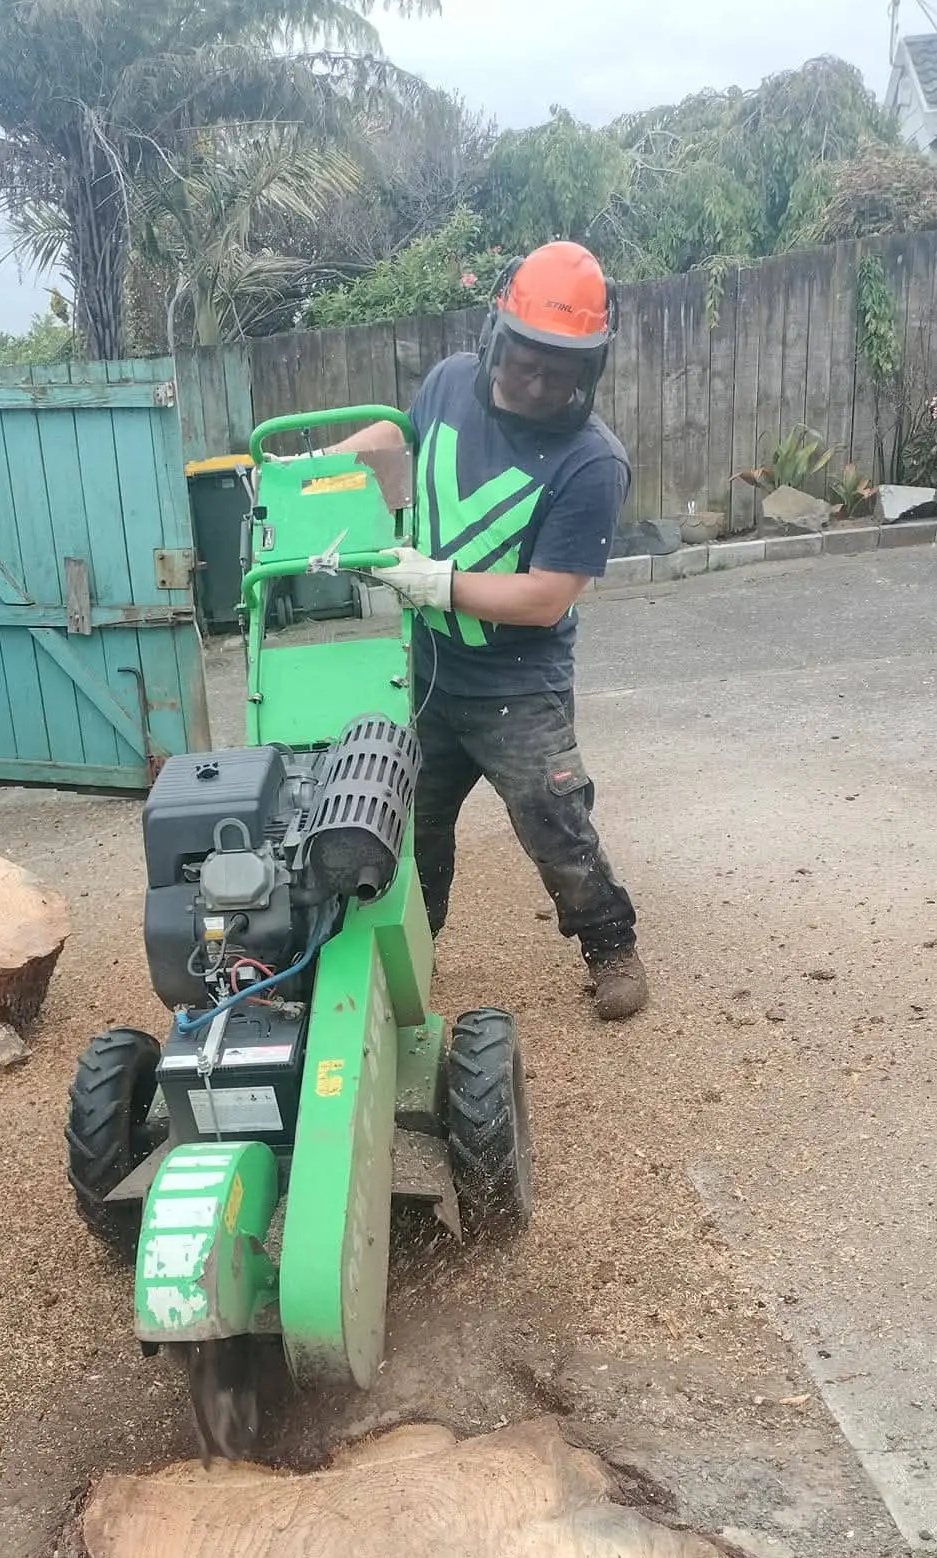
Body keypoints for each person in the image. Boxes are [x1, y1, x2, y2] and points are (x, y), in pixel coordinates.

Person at [337, 240, 646, 1021]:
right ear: (494, 337)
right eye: (523, 362)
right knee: (408, 821)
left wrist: (435, 582)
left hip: (518, 684)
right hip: (428, 669)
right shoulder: (447, 385)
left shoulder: (591, 462)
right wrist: (310, 469)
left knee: (555, 819)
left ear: (591, 369)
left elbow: (547, 597)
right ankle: (414, 953)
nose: (538, 384)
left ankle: (611, 944)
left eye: (560, 371)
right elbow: (395, 440)